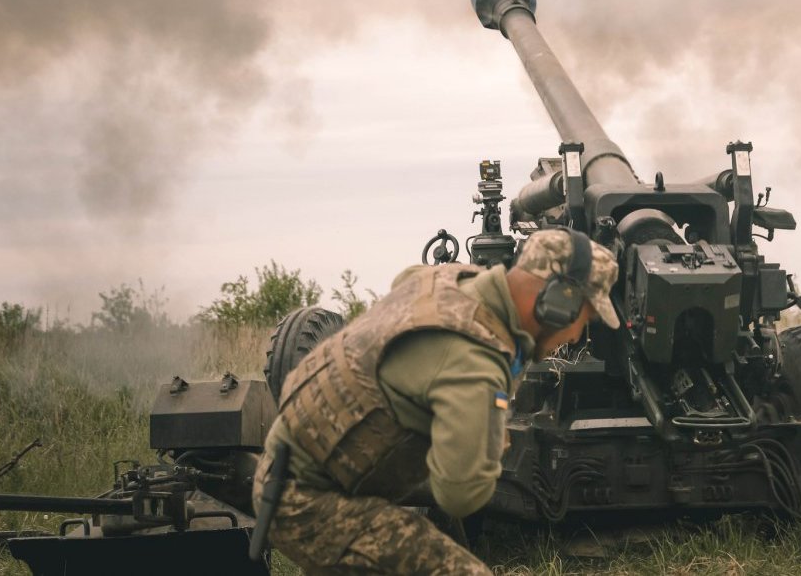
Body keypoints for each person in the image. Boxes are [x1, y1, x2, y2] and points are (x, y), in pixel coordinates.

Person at [252, 228, 619, 575]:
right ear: (558, 300)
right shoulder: (476, 361)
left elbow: (406, 281)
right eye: (582, 320)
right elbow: (461, 494)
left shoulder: (447, 281)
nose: (575, 336)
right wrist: (489, 436)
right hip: (306, 502)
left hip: (294, 467)